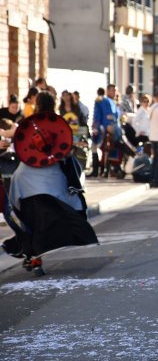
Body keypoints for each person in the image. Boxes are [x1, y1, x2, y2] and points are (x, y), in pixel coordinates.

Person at [1, 92, 98, 275]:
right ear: (54, 104)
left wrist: (3, 134)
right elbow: (67, 150)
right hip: (54, 179)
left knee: (23, 215)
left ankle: (34, 257)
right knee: (59, 212)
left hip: (26, 179)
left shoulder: (29, 122)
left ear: (37, 105)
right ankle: (36, 255)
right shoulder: (58, 122)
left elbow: (10, 134)